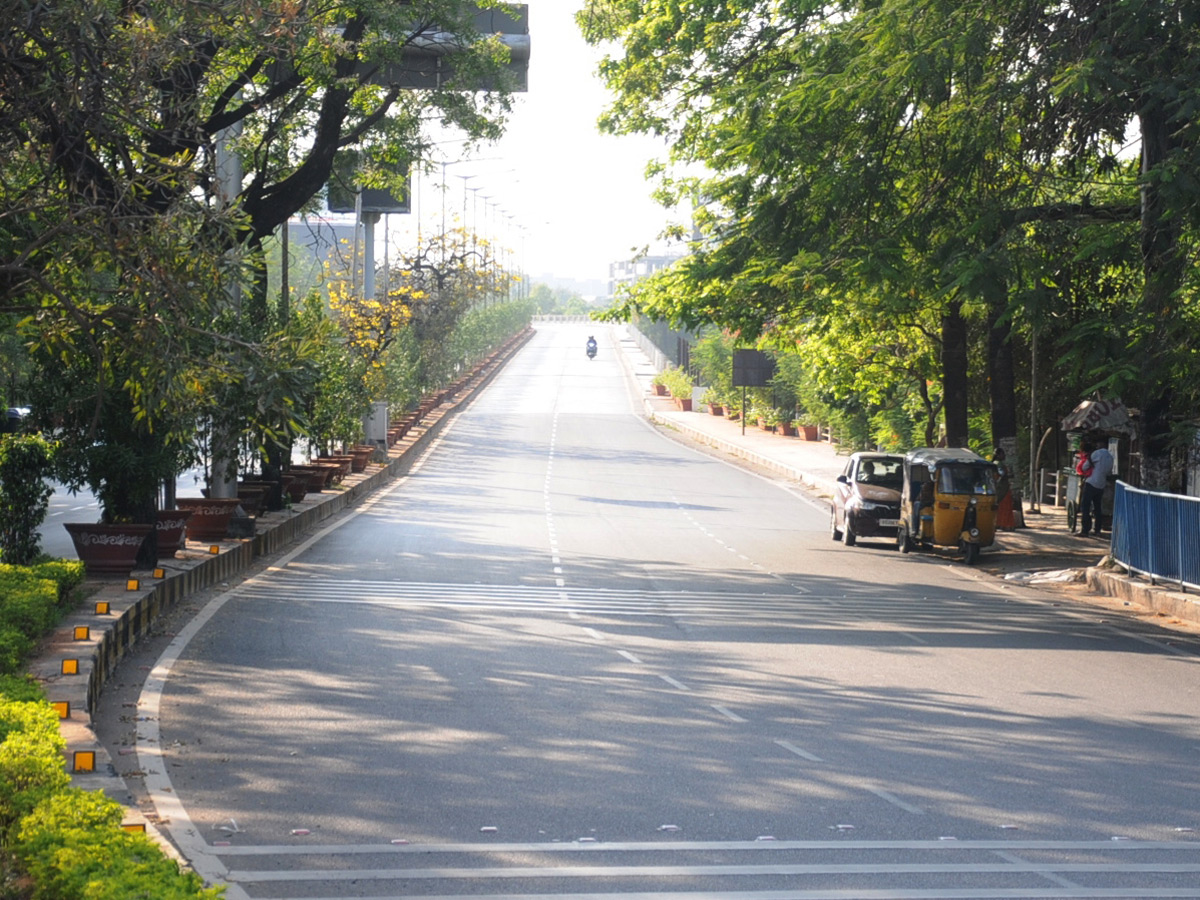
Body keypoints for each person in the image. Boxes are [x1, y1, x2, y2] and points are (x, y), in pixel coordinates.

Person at [1079, 439, 1114, 537]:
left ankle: (1085, 530)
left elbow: (1085, 467)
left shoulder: (1096, 453)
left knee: (1085, 506)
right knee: (1097, 507)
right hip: (1101, 484)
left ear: (1100, 444)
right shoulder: (1111, 457)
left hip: (1091, 482)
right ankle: (1097, 529)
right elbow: (1109, 472)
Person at [993, 448, 1015, 530]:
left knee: (999, 507)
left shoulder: (994, 463)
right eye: (1002, 454)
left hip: (998, 488)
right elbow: (1002, 475)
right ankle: (1006, 524)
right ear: (998, 455)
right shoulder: (999, 464)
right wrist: (1010, 475)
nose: (1004, 456)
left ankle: (998, 523)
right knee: (1005, 507)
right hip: (1003, 489)